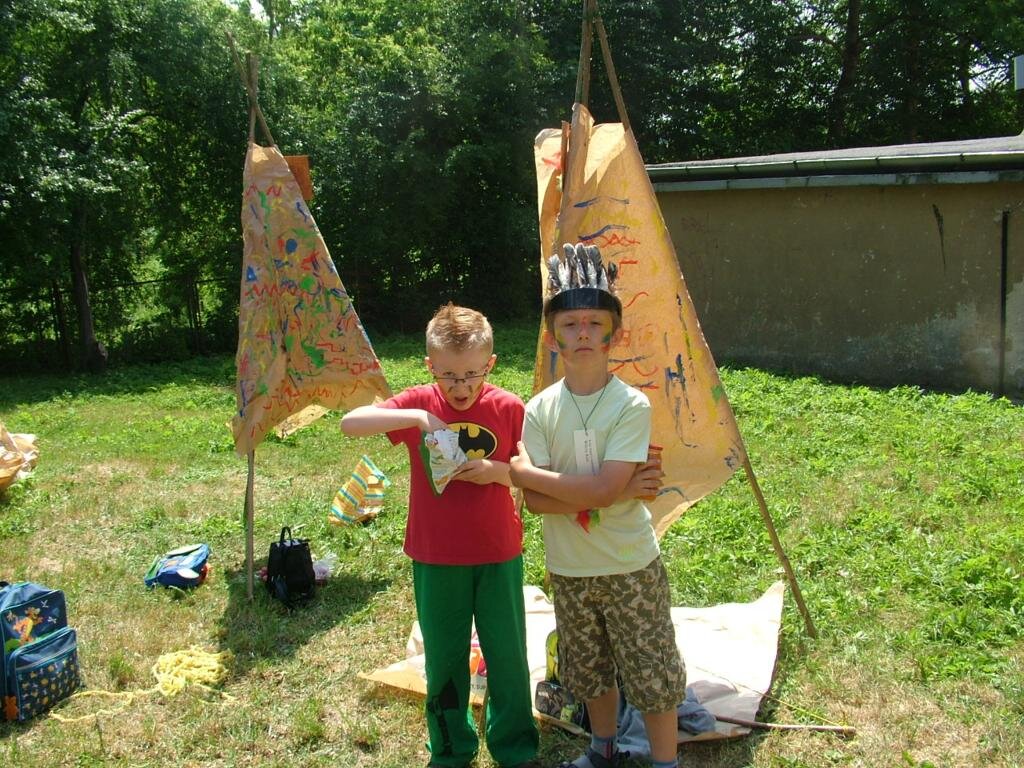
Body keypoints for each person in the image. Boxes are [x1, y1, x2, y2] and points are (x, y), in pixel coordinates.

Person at [340, 303, 540, 768]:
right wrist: (416, 418)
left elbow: (533, 472)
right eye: (448, 375)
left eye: (472, 374)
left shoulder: (509, 407)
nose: (461, 387)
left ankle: (515, 747)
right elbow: (350, 424)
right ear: (430, 366)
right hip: (436, 556)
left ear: (490, 364)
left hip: (498, 553)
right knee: (445, 658)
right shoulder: (421, 403)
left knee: (508, 655)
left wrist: (495, 471)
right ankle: (451, 748)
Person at [509, 244, 686, 768]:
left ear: (616, 334)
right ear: (552, 336)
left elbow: (588, 490)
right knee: (588, 670)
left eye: (594, 323)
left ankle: (666, 762)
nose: (582, 333)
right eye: (570, 324)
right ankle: (602, 749)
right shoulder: (539, 410)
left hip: (630, 564)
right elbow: (537, 503)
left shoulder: (630, 405)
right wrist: (618, 489)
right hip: (570, 568)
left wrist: (527, 473)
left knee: (651, 670)